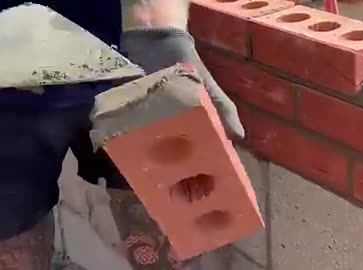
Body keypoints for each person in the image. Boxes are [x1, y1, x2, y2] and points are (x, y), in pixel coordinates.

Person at [0, 0, 244, 269]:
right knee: (12, 245)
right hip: (7, 72)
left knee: (166, 238)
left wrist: (156, 35)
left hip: (123, 64)